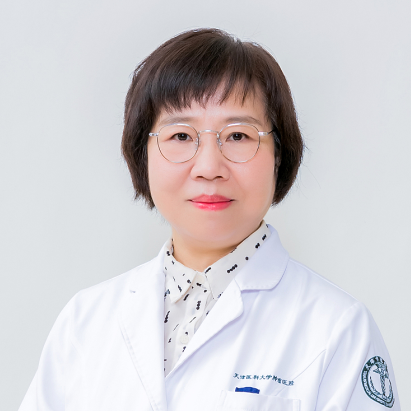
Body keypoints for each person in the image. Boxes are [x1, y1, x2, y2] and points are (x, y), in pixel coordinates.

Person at [19, 28, 400, 411]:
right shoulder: (85, 322)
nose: (208, 167)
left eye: (238, 136)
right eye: (181, 136)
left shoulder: (339, 329)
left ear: (279, 155)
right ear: (142, 153)